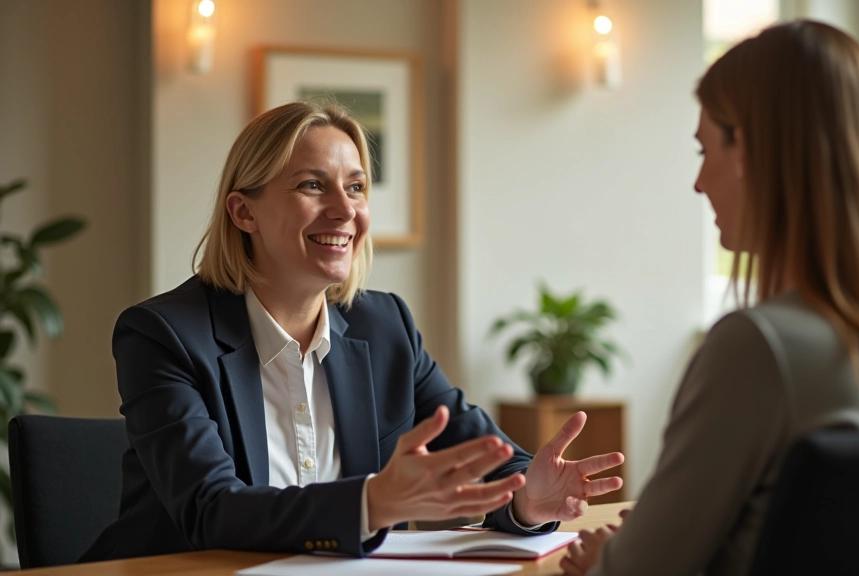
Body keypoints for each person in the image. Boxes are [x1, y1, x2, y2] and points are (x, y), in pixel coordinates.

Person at [81, 100, 624, 561]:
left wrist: (527, 497)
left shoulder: (384, 325)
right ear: (243, 212)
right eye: (313, 185)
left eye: (357, 187)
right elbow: (210, 511)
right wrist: (373, 503)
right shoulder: (163, 334)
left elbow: (481, 452)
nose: (345, 211)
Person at [560, 20, 859, 576]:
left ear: (750, 151)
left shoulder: (756, 348)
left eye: (704, 149)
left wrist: (605, 560)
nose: (699, 183)